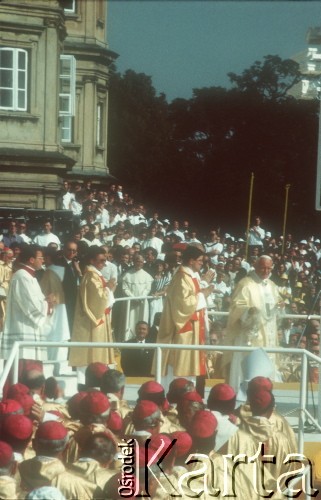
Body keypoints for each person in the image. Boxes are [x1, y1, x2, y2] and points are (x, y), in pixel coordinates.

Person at [223, 255, 284, 391]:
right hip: (250, 336)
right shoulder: (246, 284)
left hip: (269, 334)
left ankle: (264, 400)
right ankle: (244, 398)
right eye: (263, 267)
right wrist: (248, 311)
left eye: (269, 268)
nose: (266, 271)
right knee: (250, 370)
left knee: (268, 369)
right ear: (255, 267)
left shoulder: (272, 285)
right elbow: (236, 306)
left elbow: (276, 305)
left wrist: (280, 306)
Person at [154, 246, 213, 380]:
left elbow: (193, 294)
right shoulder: (182, 276)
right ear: (191, 261)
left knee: (189, 368)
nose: (202, 263)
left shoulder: (190, 275)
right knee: (178, 367)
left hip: (192, 327)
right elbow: (183, 304)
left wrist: (203, 288)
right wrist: (204, 295)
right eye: (200, 260)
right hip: (183, 328)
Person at [68, 246, 115, 383]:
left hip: (97, 318)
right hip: (92, 321)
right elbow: (97, 300)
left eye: (105, 260)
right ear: (92, 260)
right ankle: (86, 383)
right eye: (101, 260)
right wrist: (109, 288)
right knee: (89, 353)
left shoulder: (94, 275)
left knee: (93, 353)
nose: (104, 263)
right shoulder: (91, 276)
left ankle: (94, 380)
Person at [2, 244, 56, 361]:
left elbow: (37, 301)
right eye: (40, 258)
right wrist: (48, 304)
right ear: (31, 260)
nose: (43, 261)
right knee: (24, 369)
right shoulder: (22, 277)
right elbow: (32, 306)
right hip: (23, 329)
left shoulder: (30, 277)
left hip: (30, 327)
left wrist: (46, 301)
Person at [120, 253, 153, 341]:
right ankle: (128, 339)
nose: (139, 264)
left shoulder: (147, 275)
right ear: (134, 262)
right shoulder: (127, 274)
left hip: (142, 302)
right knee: (129, 320)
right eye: (138, 261)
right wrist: (133, 298)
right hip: (130, 303)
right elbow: (125, 288)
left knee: (142, 319)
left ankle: (142, 340)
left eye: (141, 262)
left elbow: (147, 289)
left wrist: (140, 298)